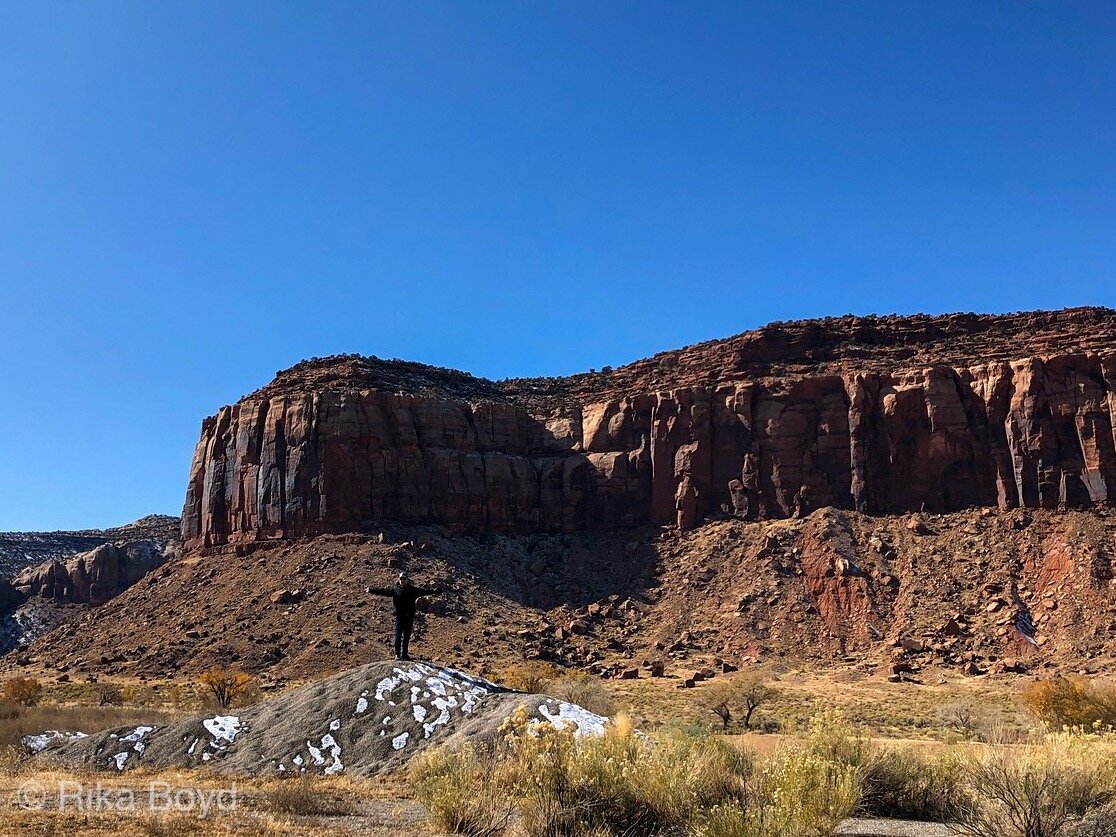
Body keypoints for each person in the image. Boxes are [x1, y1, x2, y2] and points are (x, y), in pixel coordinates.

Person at [367, 572, 442, 661]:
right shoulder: (395, 589)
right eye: (401, 579)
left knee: (406, 635)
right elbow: (383, 591)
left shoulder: (412, 590)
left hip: (409, 616)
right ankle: (397, 654)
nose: (402, 580)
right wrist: (371, 590)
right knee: (398, 635)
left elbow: (423, 591)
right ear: (399, 579)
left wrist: (434, 591)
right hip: (399, 616)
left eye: (404, 579)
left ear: (407, 580)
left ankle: (404, 654)